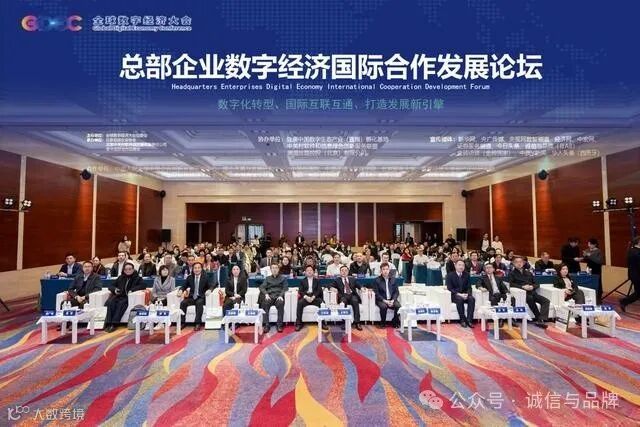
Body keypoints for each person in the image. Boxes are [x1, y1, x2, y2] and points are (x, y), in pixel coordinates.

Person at [509, 256, 549, 328]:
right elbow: (511, 284)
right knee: (530, 298)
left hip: (532, 292)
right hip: (523, 294)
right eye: (517, 262)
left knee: (546, 301)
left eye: (520, 262)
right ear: (514, 264)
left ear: (523, 263)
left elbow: (536, 284)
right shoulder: (512, 273)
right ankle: (538, 318)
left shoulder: (529, 273)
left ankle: (541, 319)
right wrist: (522, 287)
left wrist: (532, 287)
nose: (519, 263)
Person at [104, 262, 145, 333]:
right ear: (124, 270)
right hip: (119, 295)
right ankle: (108, 323)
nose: (128, 271)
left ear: (133, 270)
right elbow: (111, 286)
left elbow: (143, 285)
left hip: (128, 298)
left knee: (121, 304)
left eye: (130, 269)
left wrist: (132, 290)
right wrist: (115, 290)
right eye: (126, 269)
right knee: (110, 302)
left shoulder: (137, 278)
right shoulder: (121, 277)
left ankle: (114, 324)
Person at [179, 262, 213, 331]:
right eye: (195, 268)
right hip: (192, 297)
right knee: (183, 303)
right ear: (193, 269)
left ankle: (197, 323)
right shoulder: (189, 277)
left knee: (199, 303)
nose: (197, 269)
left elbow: (212, 285)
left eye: (198, 268)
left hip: (201, 297)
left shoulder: (205, 277)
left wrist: (209, 290)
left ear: (201, 269)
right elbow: (184, 286)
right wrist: (181, 290)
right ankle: (182, 322)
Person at [332, 265, 363, 330]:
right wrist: (332, 288)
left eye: (345, 270)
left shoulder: (352, 279)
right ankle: (344, 322)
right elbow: (330, 285)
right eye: (342, 270)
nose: (344, 272)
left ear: (348, 272)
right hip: (343, 296)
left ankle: (357, 322)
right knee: (343, 302)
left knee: (355, 301)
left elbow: (359, 285)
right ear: (340, 272)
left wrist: (362, 288)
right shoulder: (337, 280)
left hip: (352, 295)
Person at [446, 260, 475, 328]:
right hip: (455, 295)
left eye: (463, 265)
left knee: (472, 299)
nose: (461, 267)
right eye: (459, 265)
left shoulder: (466, 274)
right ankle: (462, 320)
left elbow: (469, 287)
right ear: (455, 266)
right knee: (459, 299)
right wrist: (459, 294)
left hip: (465, 294)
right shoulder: (450, 275)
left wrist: (467, 294)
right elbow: (450, 288)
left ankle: (469, 320)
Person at [295, 265, 325, 331]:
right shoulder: (302, 281)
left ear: (313, 272)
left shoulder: (317, 281)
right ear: (305, 272)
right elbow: (301, 291)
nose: (309, 272)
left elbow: (319, 290)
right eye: (307, 270)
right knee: (300, 303)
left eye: (311, 270)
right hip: (306, 297)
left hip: (315, 297)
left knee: (322, 303)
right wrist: (306, 297)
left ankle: (323, 323)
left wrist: (313, 297)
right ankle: (299, 323)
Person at [259, 263, 288, 332]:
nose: (274, 269)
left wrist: (281, 295)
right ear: (271, 270)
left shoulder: (283, 278)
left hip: (278, 297)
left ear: (278, 269)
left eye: (276, 268)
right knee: (265, 303)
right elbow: (262, 287)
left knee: (281, 303)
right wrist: (266, 294)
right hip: (270, 296)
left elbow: (285, 288)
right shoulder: (267, 278)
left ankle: (279, 325)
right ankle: (266, 325)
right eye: (273, 268)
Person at [373, 263, 400, 328]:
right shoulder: (377, 280)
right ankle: (383, 323)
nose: (385, 271)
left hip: (391, 299)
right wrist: (385, 301)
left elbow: (396, 292)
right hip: (381, 299)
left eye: (387, 269)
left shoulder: (393, 279)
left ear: (389, 270)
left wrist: (393, 300)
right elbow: (376, 294)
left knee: (398, 306)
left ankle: (394, 321)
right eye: (383, 269)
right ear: (381, 271)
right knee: (384, 306)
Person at [620, 237, 640, 311]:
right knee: (638, 293)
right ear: (638, 242)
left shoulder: (631, 250)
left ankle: (624, 301)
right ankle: (624, 301)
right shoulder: (637, 252)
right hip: (637, 275)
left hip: (633, 274)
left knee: (638, 292)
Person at [582, 238, 603, 302]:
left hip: (596, 269)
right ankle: (588, 296)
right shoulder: (587, 250)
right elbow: (586, 259)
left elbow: (599, 261)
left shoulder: (598, 251)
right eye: (588, 244)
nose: (589, 245)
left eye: (590, 244)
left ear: (595, 244)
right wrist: (584, 256)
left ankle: (598, 297)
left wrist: (589, 255)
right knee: (588, 281)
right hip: (589, 268)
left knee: (597, 282)